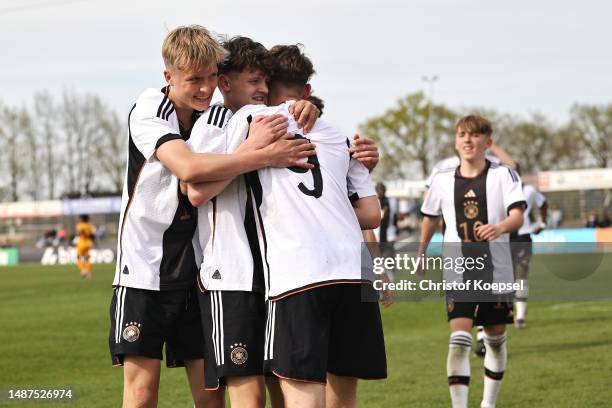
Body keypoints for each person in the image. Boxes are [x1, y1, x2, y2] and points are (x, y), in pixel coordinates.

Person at [108, 26, 316, 408]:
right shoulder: (150, 108)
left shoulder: (219, 117)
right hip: (144, 267)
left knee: (210, 397)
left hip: (198, 271)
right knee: (140, 394)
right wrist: (260, 154)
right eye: (194, 80)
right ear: (168, 76)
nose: (205, 88)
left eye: (209, 78)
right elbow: (188, 170)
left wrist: (308, 106)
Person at [184, 38, 380, 408]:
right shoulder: (220, 121)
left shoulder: (293, 121)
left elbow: (349, 201)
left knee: (287, 389)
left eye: (265, 82)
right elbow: (195, 191)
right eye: (254, 81)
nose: (261, 90)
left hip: (283, 273)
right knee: (247, 395)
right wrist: (259, 154)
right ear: (226, 83)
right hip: (235, 274)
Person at [418, 115, 525, 408]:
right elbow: (429, 218)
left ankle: (488, 404)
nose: (467, 140)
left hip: (498, 269)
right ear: (456, 141)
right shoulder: (441, 180)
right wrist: (421, 252)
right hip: (458, 268)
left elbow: (518, 215)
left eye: (475, 135)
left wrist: (500, 227)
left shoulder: (504, 176)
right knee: (460, 339)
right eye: (462, 134)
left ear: (487, 143)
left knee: (494, 338)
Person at [510, 164, 547, 329]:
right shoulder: (499, 190)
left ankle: (520, 316)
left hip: (523, 235)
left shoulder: (530, 191)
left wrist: (543, 223)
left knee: (521, 273)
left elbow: (543, 203)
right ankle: (507, 311)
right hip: (503, 237)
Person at [75, 214, 95, 279]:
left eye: (80, 218)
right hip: (88, 243)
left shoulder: (80, 225)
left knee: (79, 257)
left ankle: (83, 270)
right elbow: (92, 235)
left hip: (81, 243)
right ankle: (88, 271)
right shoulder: (89, 226)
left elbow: (79, 232)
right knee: (87, 258)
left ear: (82, 219)